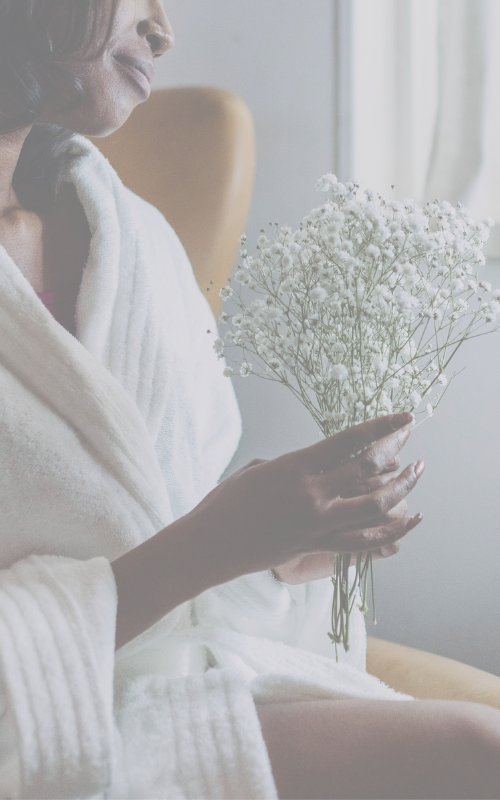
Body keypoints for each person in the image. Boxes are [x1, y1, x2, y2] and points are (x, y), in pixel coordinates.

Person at [1, 1, 500, 798]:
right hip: (42, 740)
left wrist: (272, 553)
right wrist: (211, 545)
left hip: (175, 696)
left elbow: (164, 526)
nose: (162, 30)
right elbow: (179, 549)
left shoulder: (131, 234)